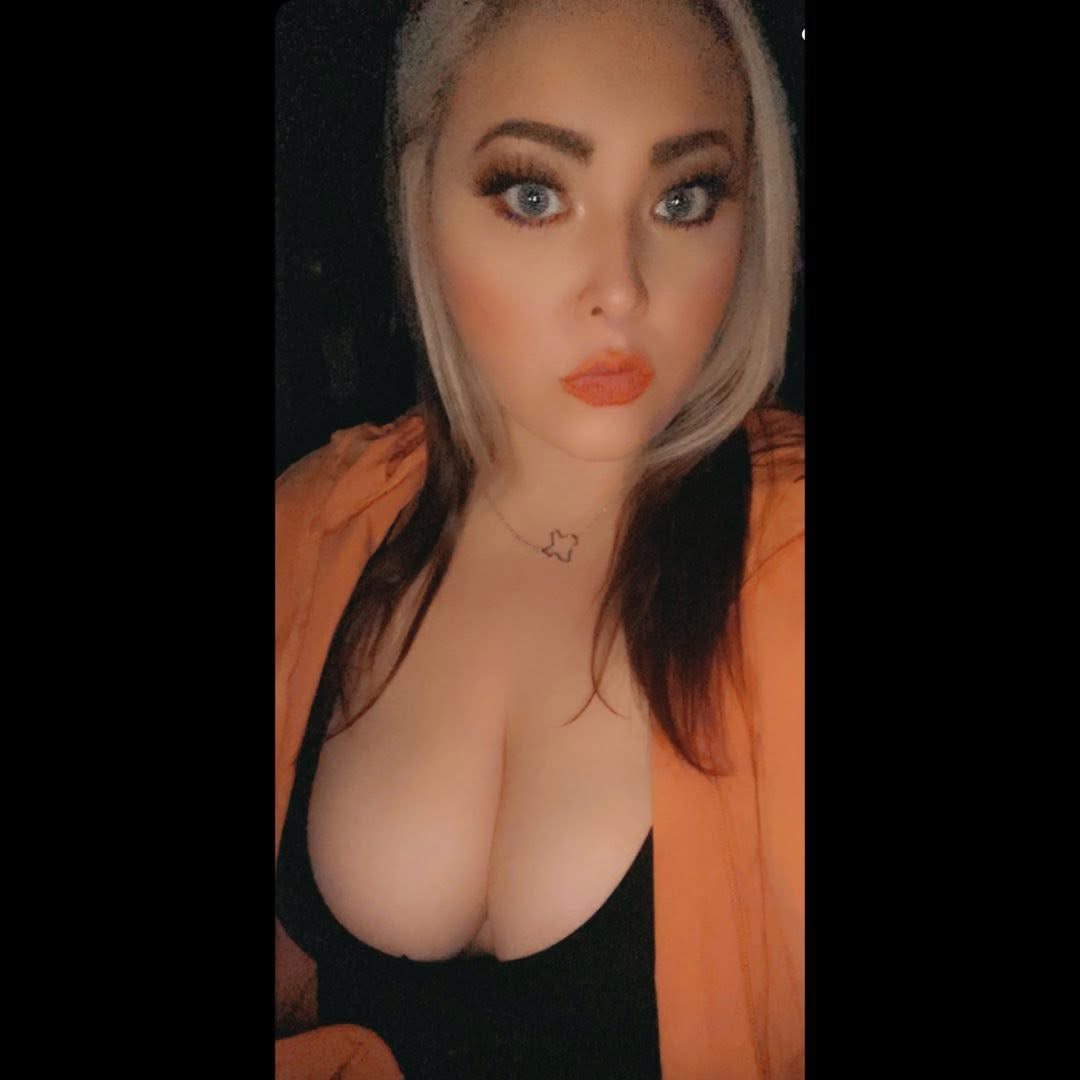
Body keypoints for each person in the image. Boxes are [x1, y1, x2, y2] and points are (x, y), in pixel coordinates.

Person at [275, 0, 804, 1076]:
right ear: (422, 198)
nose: (620, 289)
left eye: (683, 198)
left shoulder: (789, 560)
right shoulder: (310, 525)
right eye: (534, 194)